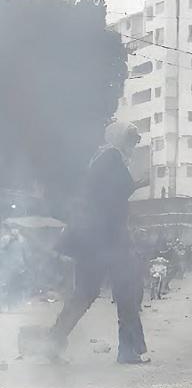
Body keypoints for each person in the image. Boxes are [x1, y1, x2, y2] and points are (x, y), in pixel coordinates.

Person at [49, 121, 149, 364]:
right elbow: (114, 193)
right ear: (119, 138)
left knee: (85, 293)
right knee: (126, 292)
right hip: (107, 239)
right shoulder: (111, 158)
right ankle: (128, 350)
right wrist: (139, 183)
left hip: (93, 239)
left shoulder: (102, 157)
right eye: (131, 140)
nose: (133, 145)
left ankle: (51, 342)